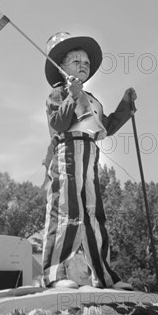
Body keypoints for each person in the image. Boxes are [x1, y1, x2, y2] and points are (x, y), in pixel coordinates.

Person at [42, 32, 137, 290]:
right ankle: (54, 273)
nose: (83, 66)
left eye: (86, 62)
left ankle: (104, 276)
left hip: (91, 154)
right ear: (61, 67)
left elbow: (106, 126)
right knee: (67, 211)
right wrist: (72, 95)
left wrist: (126, 106)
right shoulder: (58, 94)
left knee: (94, 215)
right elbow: (58, 124)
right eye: (76, 62)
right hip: (67, 153)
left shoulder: (93, 100)